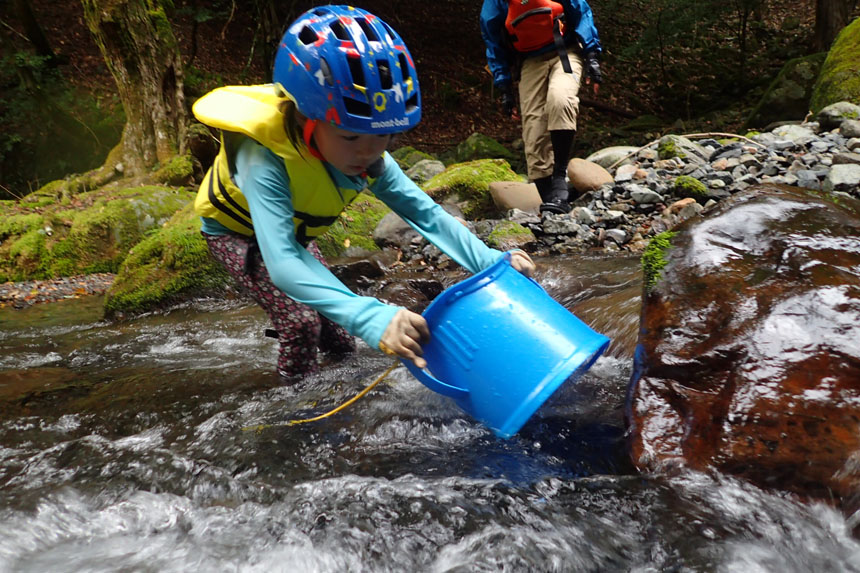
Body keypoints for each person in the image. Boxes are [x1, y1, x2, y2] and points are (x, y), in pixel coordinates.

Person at [192, 5, 535, 380]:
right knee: (302, 321)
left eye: (383, 137)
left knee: (341, 334)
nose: (368, 153)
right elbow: (283, 262)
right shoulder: (264, 159)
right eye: (351, 136)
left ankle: (342, 388)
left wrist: (491, 263)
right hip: (237, 235)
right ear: (306, 119)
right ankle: (293, 408)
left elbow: (424, 213)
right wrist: (374, 316)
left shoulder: (367, 154)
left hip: (292, 234)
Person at [480, 0, 603, 214]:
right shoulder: (495, 3)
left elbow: (580, 11)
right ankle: (553, 199)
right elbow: (493, 40)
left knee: (560, 99)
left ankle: (559, 181)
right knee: (533, 133)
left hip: (565, 51)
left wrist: (592, 56)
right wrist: (505, 87)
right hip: (529, 61)